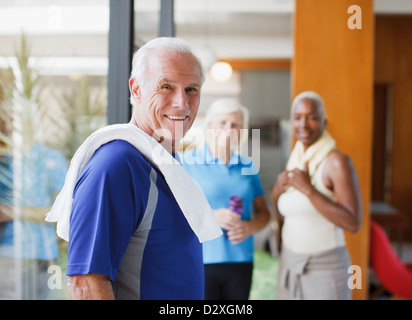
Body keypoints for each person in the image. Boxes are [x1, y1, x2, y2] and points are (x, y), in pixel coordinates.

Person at [45, 37, 221, 300]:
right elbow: (86, 284)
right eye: (166, 86)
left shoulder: (165, 162)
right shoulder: (117, 165)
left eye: (191, 89)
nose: (182, 103)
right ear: (136, 89)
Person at [271, 91, 362, 300]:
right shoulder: (294, 161)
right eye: (298, 117)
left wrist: (308, 190)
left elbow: (353, 222)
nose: (303, 124)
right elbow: (285, 214)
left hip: (325, 267)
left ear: (324, 121)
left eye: (312, 117)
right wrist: (276, 190)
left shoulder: (336, 162)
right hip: (290, 262)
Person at [181, 98, 270, 300]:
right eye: (222, 123)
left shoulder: (248, 166)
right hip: (199, 259)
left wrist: (250, 227)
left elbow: (264, 214)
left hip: (240, 261)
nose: (228, 129)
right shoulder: (187, 162)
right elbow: (171, 211)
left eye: (235, 125)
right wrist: (211, 215)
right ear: (210, 126)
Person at [0, 108, 68, 300]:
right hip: (6, 257)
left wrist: (12, 212)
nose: (8, 127)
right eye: (6, 122)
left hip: (40, 258)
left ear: (31, 124)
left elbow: (61, 212)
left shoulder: (50, 161)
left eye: (15, 121)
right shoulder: (4, 163)